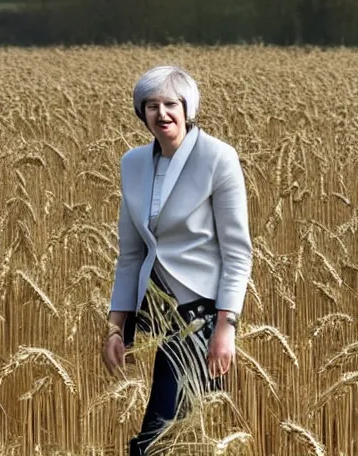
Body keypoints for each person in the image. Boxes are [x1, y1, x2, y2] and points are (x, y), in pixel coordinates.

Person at [102, 65, 253, 455]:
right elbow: (131, 252)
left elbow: (237, 252)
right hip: (151, 311)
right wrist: (116, 327)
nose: (162, 113)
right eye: (151, 105)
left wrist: (226, 326)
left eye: (171, 103)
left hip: (201, 315)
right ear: (142, 113)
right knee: (180, 432)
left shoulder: (218, 158)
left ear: (188, 109)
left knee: (162, 431)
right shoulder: (133, 163)